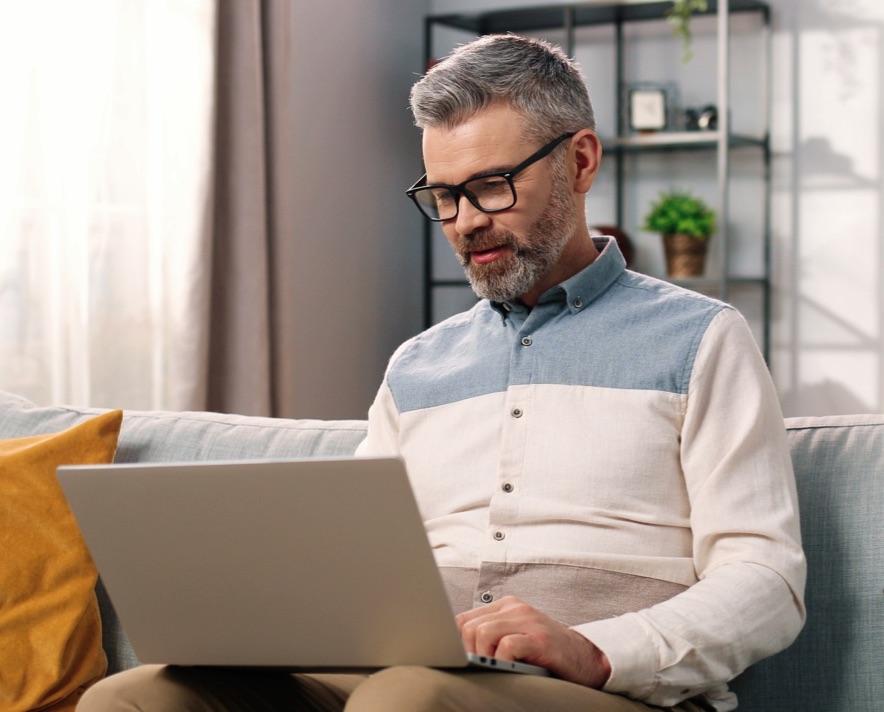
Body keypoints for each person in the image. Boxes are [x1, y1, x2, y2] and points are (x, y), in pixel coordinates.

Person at [79, 34, 805, 712]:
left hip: (601, 688)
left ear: (581, 162)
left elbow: (766, 582)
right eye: (444, 195)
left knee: (407, 700)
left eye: (491, 186)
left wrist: (591, 649)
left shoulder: (702, 339)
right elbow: (349, 565)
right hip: (400, 675)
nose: (464, 222)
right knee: (136, 695)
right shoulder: (416, 366)